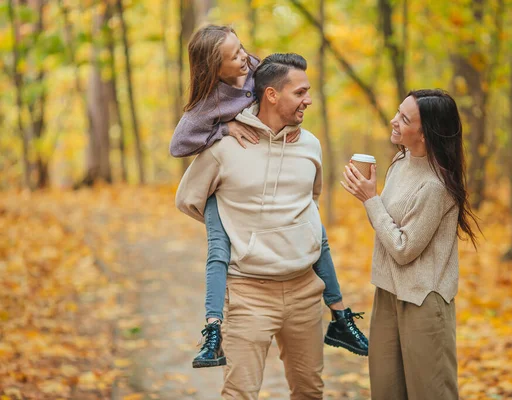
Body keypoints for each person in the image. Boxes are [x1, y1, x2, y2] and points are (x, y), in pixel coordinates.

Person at [170, 25, 368, 370]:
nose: (243, 56)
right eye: (233, 56)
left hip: (273, 158)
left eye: (241, 47)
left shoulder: (257, 71)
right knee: (219, 248)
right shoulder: (210, 101)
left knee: (313, 226)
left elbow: (282, 80)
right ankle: (212, 330)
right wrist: (225, 129)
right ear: (215, 69)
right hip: (229, 184)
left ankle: (340, 316)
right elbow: (179, 144)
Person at [341, 89, 480, 400]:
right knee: (386, 391)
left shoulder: (437, 186)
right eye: (398, 113)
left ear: (426, 133)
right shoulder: (401, 161)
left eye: (404, 119)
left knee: (430, 393)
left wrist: (370, 199)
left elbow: (404, 249)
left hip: (423, 300)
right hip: (388, 294)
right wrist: (370, 199)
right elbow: (386, 228)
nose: (394, 121)